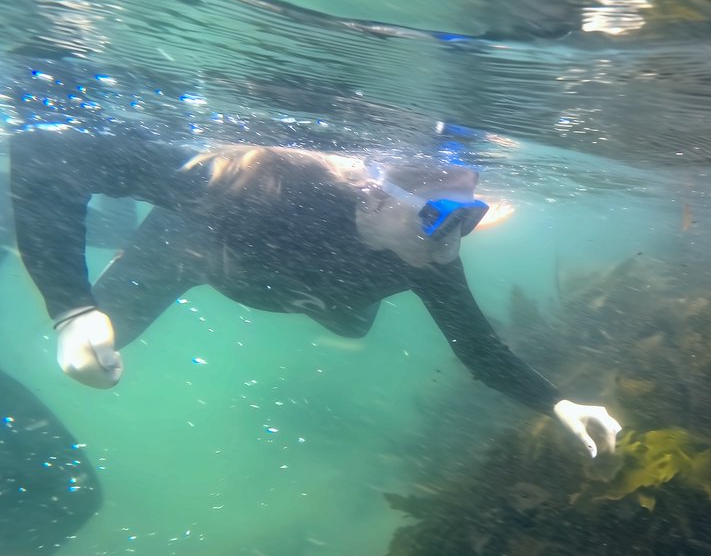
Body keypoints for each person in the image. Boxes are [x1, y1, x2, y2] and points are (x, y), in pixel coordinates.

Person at [7, 125, 622, 457]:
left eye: (471, 215)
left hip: (324, 294)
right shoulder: (259, 184)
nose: (452, 243)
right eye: (441, 218)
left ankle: (93, 230)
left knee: (355, 322)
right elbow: (43, 154)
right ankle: (65, 230)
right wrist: (72, 309)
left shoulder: (425, 253)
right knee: (94, 350)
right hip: (194, 251)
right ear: (378, 196)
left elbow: (477, 347)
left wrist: (558, 404)